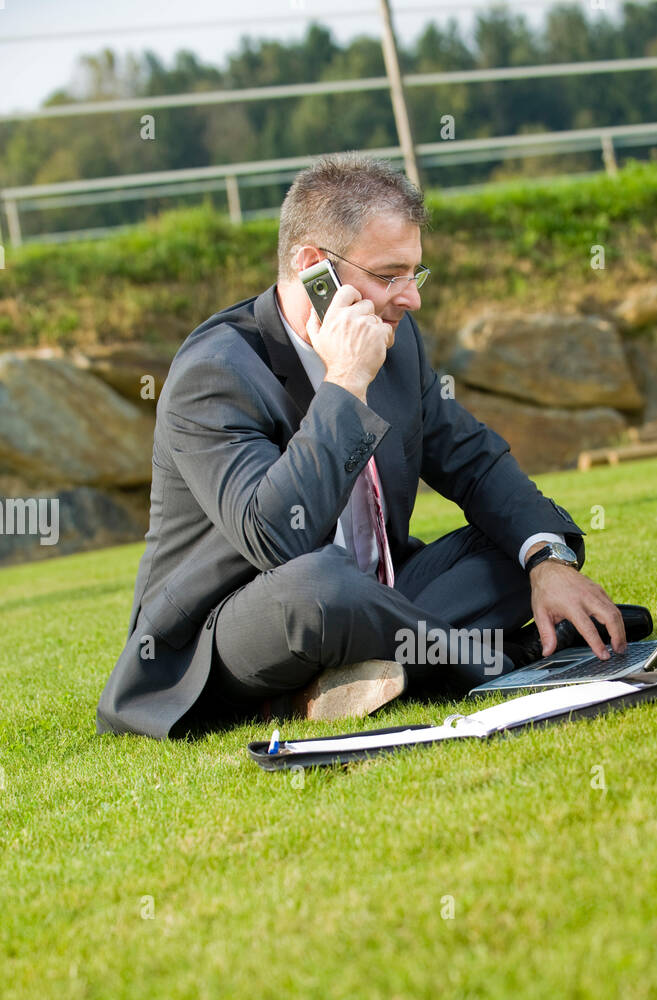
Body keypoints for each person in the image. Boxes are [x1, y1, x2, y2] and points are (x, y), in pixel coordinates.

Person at [96, 153, 627, 740]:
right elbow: (276, 537)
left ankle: (365, 675)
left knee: (533, 530)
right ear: (313, 268)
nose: (411, 298)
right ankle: (500, 661)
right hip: (238, 628)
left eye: (415, 274)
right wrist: (344, 383)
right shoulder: (214, 373)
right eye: (389, 274)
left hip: (377, 599)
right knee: (323, 586)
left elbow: (476, 463)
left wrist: (545, 560)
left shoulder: (397, 342)